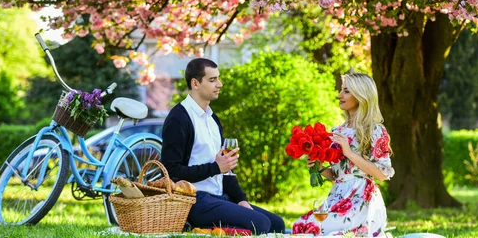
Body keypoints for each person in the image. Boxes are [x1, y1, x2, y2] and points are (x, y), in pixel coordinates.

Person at [160, 58, 285, 234]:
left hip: (220, 198)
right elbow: (171, 171)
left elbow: (226, 170)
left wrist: (241, 200)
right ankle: (198, 228)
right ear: (195, 83)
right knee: (261, 225)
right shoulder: (179, 119)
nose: (219, 84)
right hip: (194, 201)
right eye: (212, 80)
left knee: (277, 224)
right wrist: (215, 167)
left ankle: (217, 228)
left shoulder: (213, 119)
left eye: (218, 78)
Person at [292, 73, 395, 237]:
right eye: (341, 90)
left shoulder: (375, 130)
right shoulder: (337, 131)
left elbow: (381, 174)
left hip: (362, 200)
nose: (340, 95)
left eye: (346, 91)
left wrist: (349, 152)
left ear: (361, 95)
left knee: (318, 229)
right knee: (301, 225)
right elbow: (337, 176)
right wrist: (319, 167)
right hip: (337, 196)